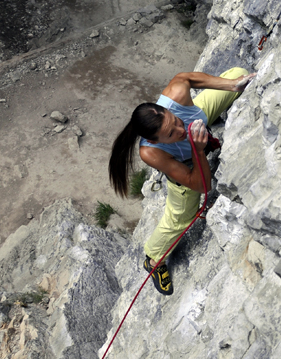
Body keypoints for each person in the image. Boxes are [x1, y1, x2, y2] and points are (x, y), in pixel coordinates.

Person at [108, 68, 255, 295]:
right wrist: (198, 149)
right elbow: (200, 185)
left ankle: (231, 87)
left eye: (175, 121)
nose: (180, 129)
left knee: (238, 73)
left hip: (199, 120)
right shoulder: (150, 152)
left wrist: (234, 84)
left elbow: (186, 78)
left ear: (168, 110)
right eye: (171, 133)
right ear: (153, 139)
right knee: (181, 218)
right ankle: (154, 259)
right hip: (187, 162)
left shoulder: (176, 94)